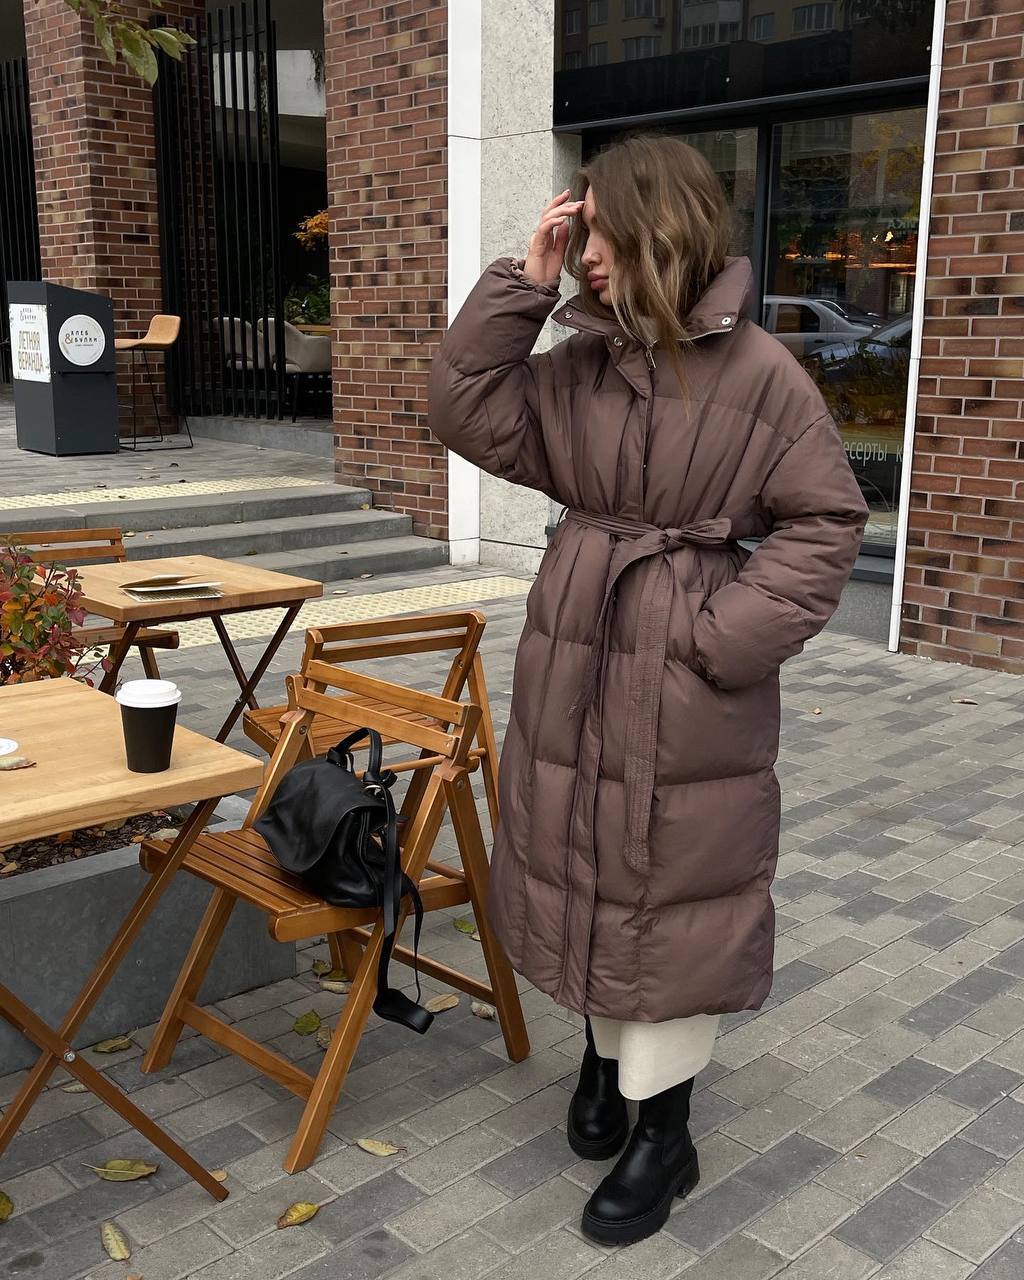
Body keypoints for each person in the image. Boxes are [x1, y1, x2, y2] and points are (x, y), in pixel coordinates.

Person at [427, 134, 868, 1247]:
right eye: (577, 240)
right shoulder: (577, 359)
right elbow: (466, 413)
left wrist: (720, 638)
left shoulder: (763, 371)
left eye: (599, 234)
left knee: (665, 884)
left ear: (660, 229)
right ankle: (599, 1050)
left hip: (683, 673)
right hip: (578, 649)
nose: (587, 258)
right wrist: (521, 286)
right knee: (582, 855)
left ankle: (663, 1131)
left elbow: (825, 524)